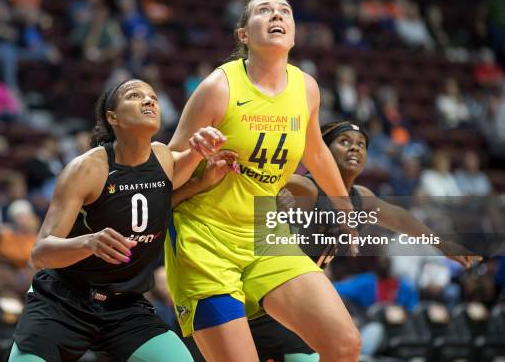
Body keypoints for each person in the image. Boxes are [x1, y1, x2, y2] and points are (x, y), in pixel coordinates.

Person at [165, 0, 361, 362]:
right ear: (243, 35)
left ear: (293, 31)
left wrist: (345, 211)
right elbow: (167, 173)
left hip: (266, 235)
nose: (277, 15)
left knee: (344, 344)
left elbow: (315, 150)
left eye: (285, 11)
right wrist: (194, 152)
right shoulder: (218, 87)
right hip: (206, 240)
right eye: (264, 10)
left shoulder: (306, 87)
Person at [198, 120, 478, 361]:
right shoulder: (306, 187)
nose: (355, 148)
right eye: (344, 141)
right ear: (323, 152)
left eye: (361, 144)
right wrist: (278, 194)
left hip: (291, 304)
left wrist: (444, 245)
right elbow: (267, 188)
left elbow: (401, 219)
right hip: (264, 296)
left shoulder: (359, 197)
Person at [9, 79, 228, 362]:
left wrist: (201, 179)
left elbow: (158, 207)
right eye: (135, 96)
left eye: (153, 96)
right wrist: (89, 242)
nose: (149, 101)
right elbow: (40, 254)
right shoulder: (87, 169)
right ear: (112, 117)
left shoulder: (162, 157)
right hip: (64, 302)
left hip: (124, 306)